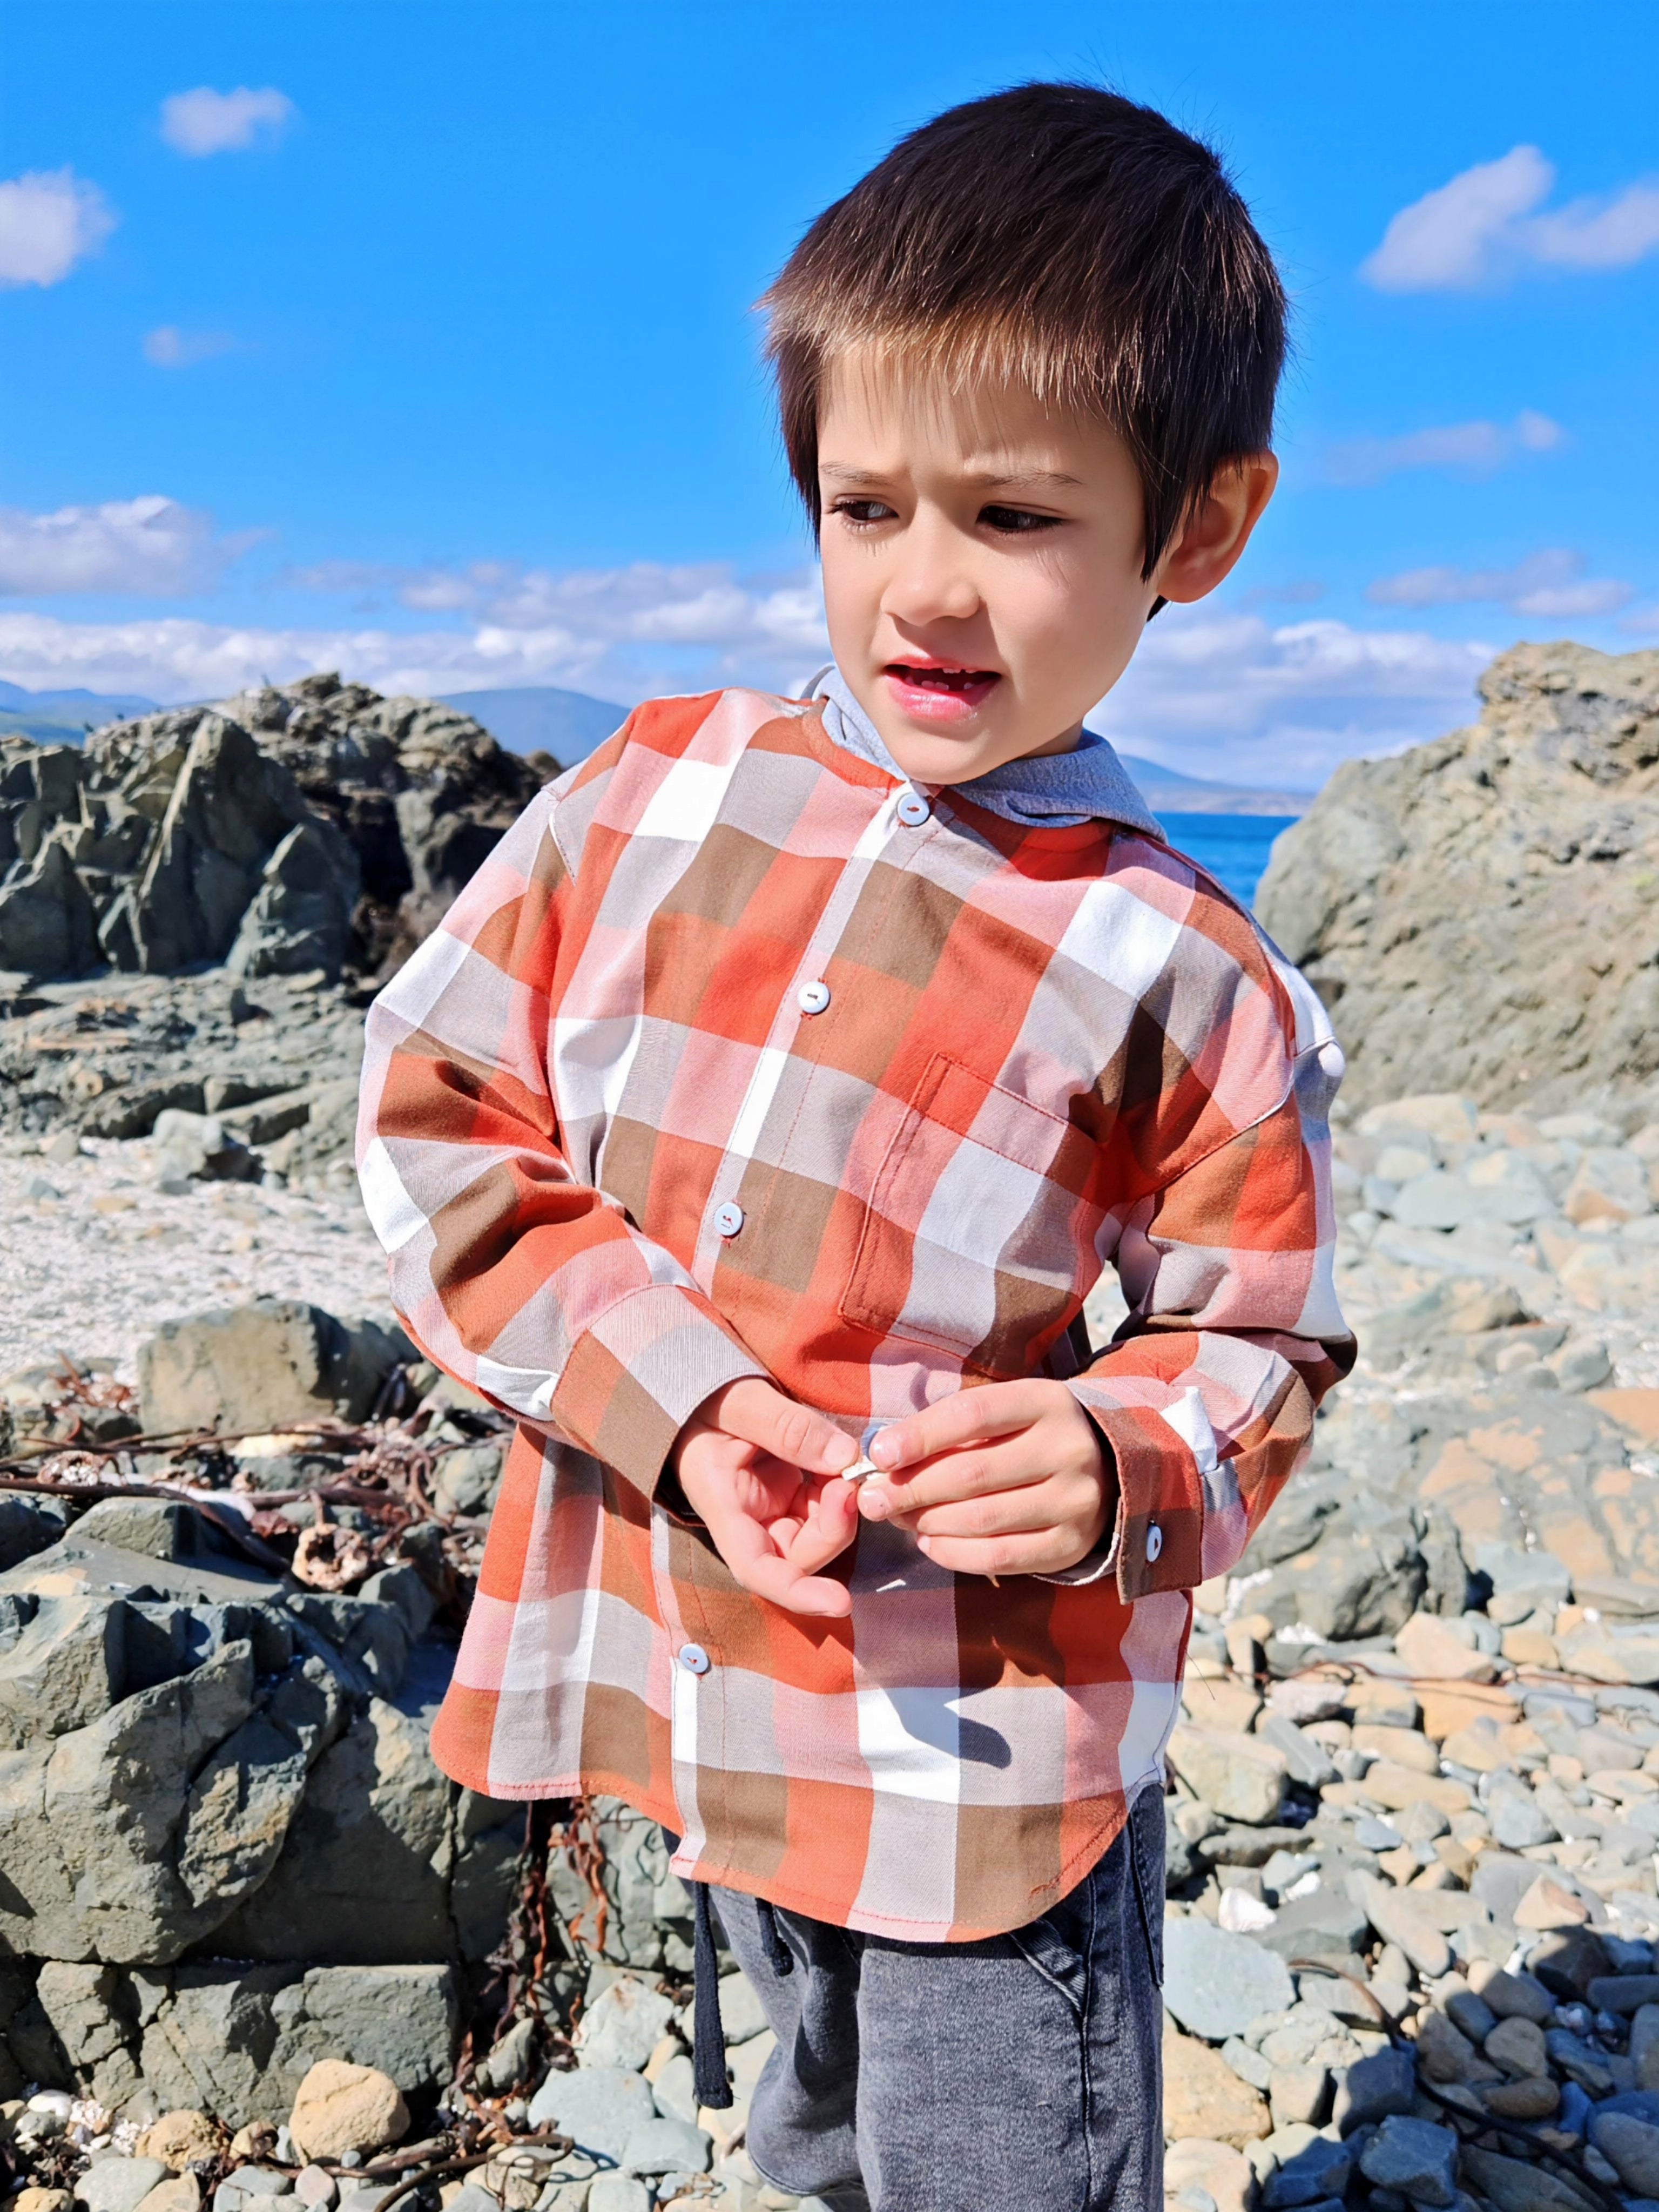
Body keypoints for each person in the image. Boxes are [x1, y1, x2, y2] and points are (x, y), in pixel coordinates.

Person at [358, 79, 1354, 2212]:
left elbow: (1259, 1336)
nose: (924, 589)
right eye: (865, 505)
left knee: (998, 2159)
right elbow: (446, 1106)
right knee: (804, 2129)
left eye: (1012, 519)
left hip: (989, 1738)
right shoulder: (648, 799)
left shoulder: (1176, 961)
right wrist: (683, 1402)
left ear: (1197, 531)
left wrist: (1114, 1458)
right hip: (711, 1676)